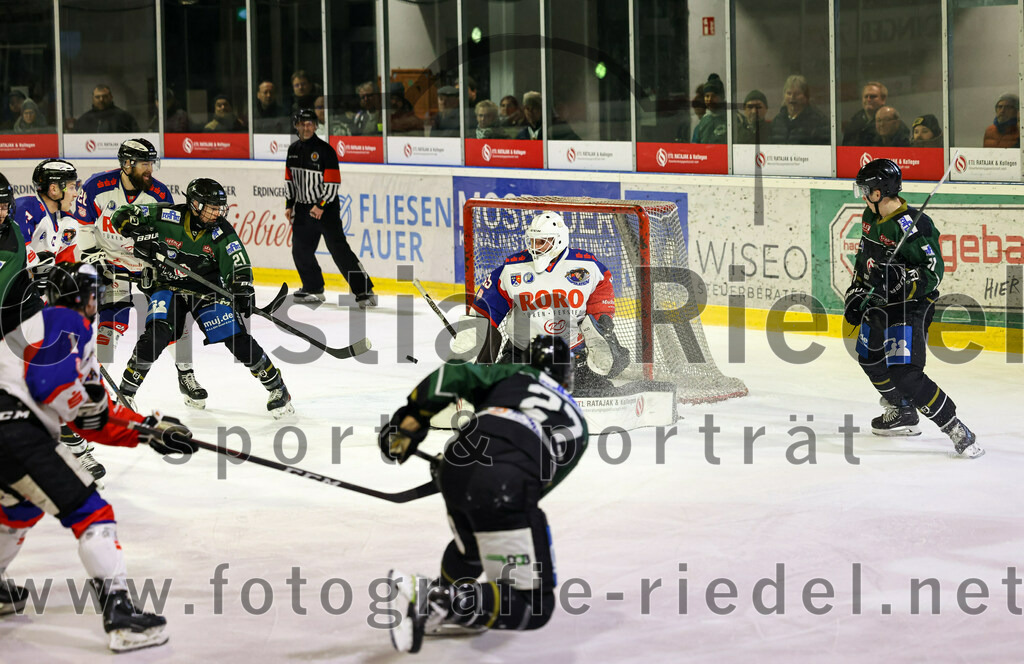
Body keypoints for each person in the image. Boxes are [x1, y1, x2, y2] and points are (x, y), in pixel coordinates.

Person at [0, 261, 197, 651]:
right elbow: (50, 386)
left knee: (19, 507)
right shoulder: (62, 319)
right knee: (92, 512)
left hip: (10, 429)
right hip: (15, 428)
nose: (100, 299)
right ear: (80, 296)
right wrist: (105, 416)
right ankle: (121, 615)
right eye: (95, 292)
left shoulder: (61, 331)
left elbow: (93, 416)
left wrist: (148, 430)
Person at [379, 334, 587, 653]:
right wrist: (491, 480)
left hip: (458, 460)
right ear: (566, 375)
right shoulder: (578, 424)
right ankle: (438, 601)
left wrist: (413, 419)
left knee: (472, 549)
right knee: (534, 606)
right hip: (505, 482)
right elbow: (538, 483)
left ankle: (438, 603)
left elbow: (455, 373)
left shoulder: (513, 373)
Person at [112, 178, 295, 418]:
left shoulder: (221, 231)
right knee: (157, 334)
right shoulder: (167, 215)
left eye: (219, 208)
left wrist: (241, 288)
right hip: (168, 285)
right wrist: (138, 232)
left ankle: (277, 389)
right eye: (211, 207)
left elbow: (237, 261)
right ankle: (125, 394)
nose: (217, 213)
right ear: (195, 205)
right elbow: (123, 215)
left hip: (207, 289)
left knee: (235, 338)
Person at [843, 159, 983, 458]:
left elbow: (933, 272)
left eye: (866, 189)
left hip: (911, 305)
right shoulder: (870, 216)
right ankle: (902, 410)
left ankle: (956, 428)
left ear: (879, 192)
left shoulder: (915, 225)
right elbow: (863, 259)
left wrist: (902, 280)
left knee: (904, 372)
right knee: (868, 358)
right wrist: (856, 291)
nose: (863, 195)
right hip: (880, 302)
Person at [73, 138, 208, 410]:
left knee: (170, 321)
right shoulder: (97, 187)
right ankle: (93, 383)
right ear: (127, 164)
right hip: (111, 264)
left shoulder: (159, 194)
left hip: (146, 265)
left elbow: (170, 237)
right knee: (112, 324)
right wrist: (92, 258)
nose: (150, 169)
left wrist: (160, 266)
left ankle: (186, 373)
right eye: (145, 163)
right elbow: (84, 228)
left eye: (151, 163)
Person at [457, 211, 630, 395]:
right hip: (521, 355)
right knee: (498, 394)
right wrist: (468, 349)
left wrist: (601, 319)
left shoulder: (587, 266)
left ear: (559, 240)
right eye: (532, 241)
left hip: (571, 356)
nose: (535, 246)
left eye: (541, 241)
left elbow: (601, 288)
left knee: (599, 393)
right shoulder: (512, 268)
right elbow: (485, 312)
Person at [285, 109, 376, 307]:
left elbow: (333, 183)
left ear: (316, 126)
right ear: (296, 126)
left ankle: (365, 291)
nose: (306, 127)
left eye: (310, 123)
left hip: (326, 209)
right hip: (302, 209)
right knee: (300, 250)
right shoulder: (292, 150)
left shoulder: (325, 150)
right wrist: (289, 204)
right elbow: (289, 179)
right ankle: (313, 287)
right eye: (303, 123)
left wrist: (321, 205)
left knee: (339, 250)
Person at [769, 75, 829, 145]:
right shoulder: (777, 121)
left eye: (797, 94)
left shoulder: (819, 121)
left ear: (806, 97)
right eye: (789, 93)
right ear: (784, 95)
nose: (792, 97)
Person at [73, 85, 138, 133]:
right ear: (93, 99)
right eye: (97, 97)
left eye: (105, 96)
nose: (101, 100)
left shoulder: (125, 118)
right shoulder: (83, 120)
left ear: (111, 97)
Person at [842, 82, 888, 146]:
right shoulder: (853, 124)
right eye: (866, 96)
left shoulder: (892, 123)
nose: (868, 99)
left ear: (883, 100)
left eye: (873, 96)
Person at [693, 73, 727, 144]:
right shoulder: (703, 122)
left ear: (721, 97)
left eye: (713, 96)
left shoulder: (731, 119)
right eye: (707, 96)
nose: (709, 99)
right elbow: (695, 148)